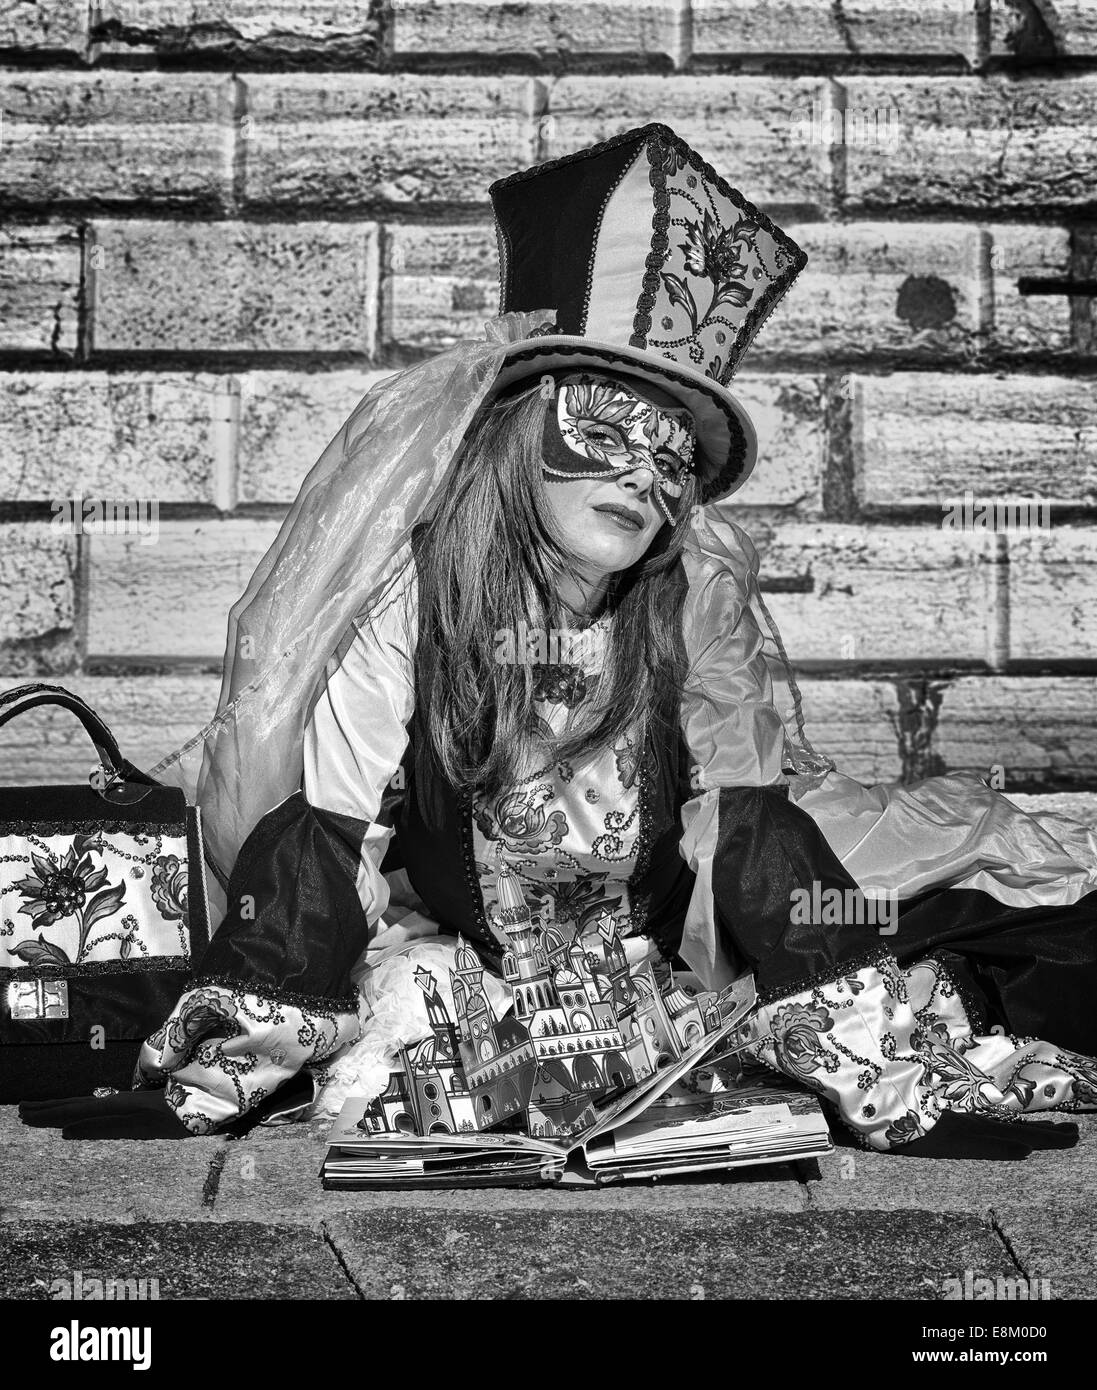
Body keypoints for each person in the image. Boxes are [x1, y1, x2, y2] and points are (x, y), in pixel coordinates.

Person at [22, 124, 1097, 1155]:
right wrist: (220, 1077)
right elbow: (327, 833)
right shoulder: (413, 598)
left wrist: (880, 1077)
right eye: (606, 426)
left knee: (1025, 938)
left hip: (669, 961)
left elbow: (752, 833)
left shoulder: (688, 605)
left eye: (672, 455)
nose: (643, 470)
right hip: (473, 974)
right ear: (516, 431)